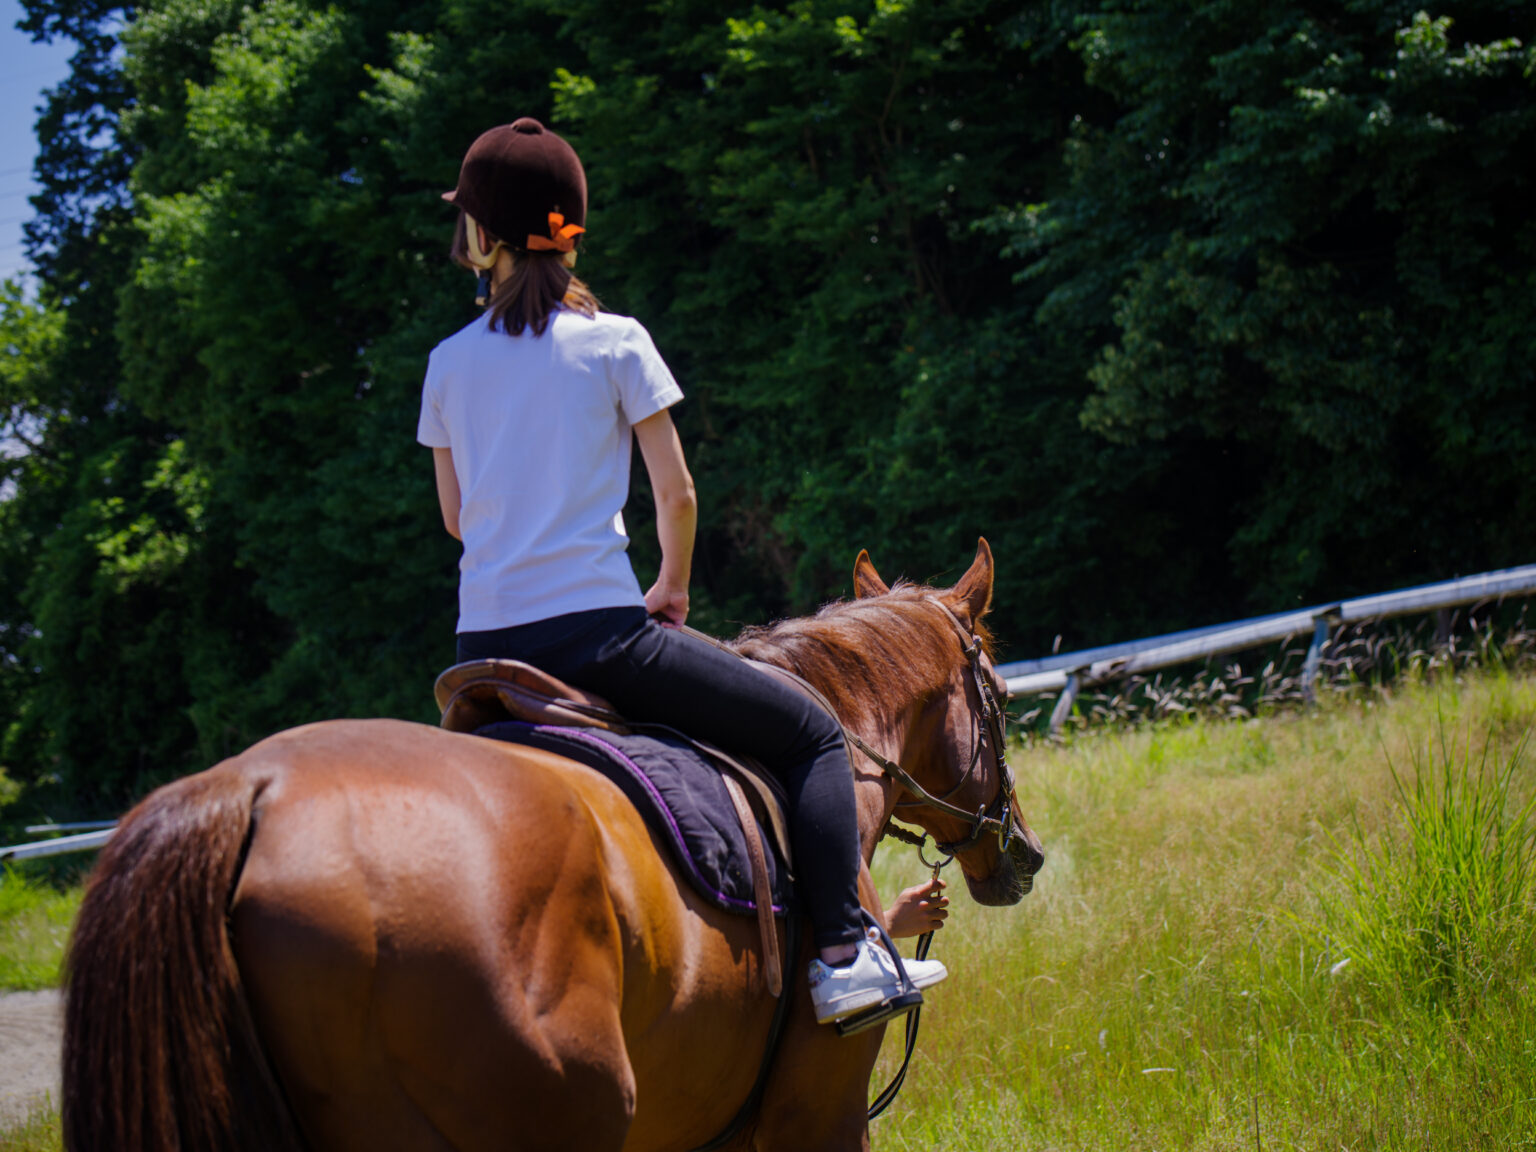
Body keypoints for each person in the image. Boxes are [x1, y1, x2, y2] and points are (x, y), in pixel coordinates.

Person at [417, 118, 947, 1025]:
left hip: (482, 654)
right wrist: (671, 588)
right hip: (599, 641)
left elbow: (458, 521)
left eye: (466, 216)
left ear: (489, 237)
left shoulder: (447, 362)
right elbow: (679, 493)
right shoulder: (617, 341)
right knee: (816, 736)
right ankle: (844, 951)